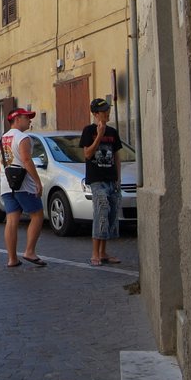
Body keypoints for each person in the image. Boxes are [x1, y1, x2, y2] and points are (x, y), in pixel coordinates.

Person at [0, 108, 45, 267]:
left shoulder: (0, 140)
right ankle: (29, 251)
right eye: (27, 117)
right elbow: (27, 160)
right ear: (16, 119)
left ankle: (12, 259)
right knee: (37, 216)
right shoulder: (23, 137)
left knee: (11, 221)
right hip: (24, 185)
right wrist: (37, 181)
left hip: (6, 185)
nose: (30, 120)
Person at [80, 97, 124, 266]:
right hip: (97, 180)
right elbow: (87, 154)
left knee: (111, 215)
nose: (108, 113)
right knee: (101, 212)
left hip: (112, 179)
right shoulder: (88, 131)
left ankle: (104, 252)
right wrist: (99, 136)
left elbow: (116, 156)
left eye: (108, 110)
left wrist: (118, 178)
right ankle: (95, 253)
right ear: (96, 114)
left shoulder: (113, 132)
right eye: (104, 111)